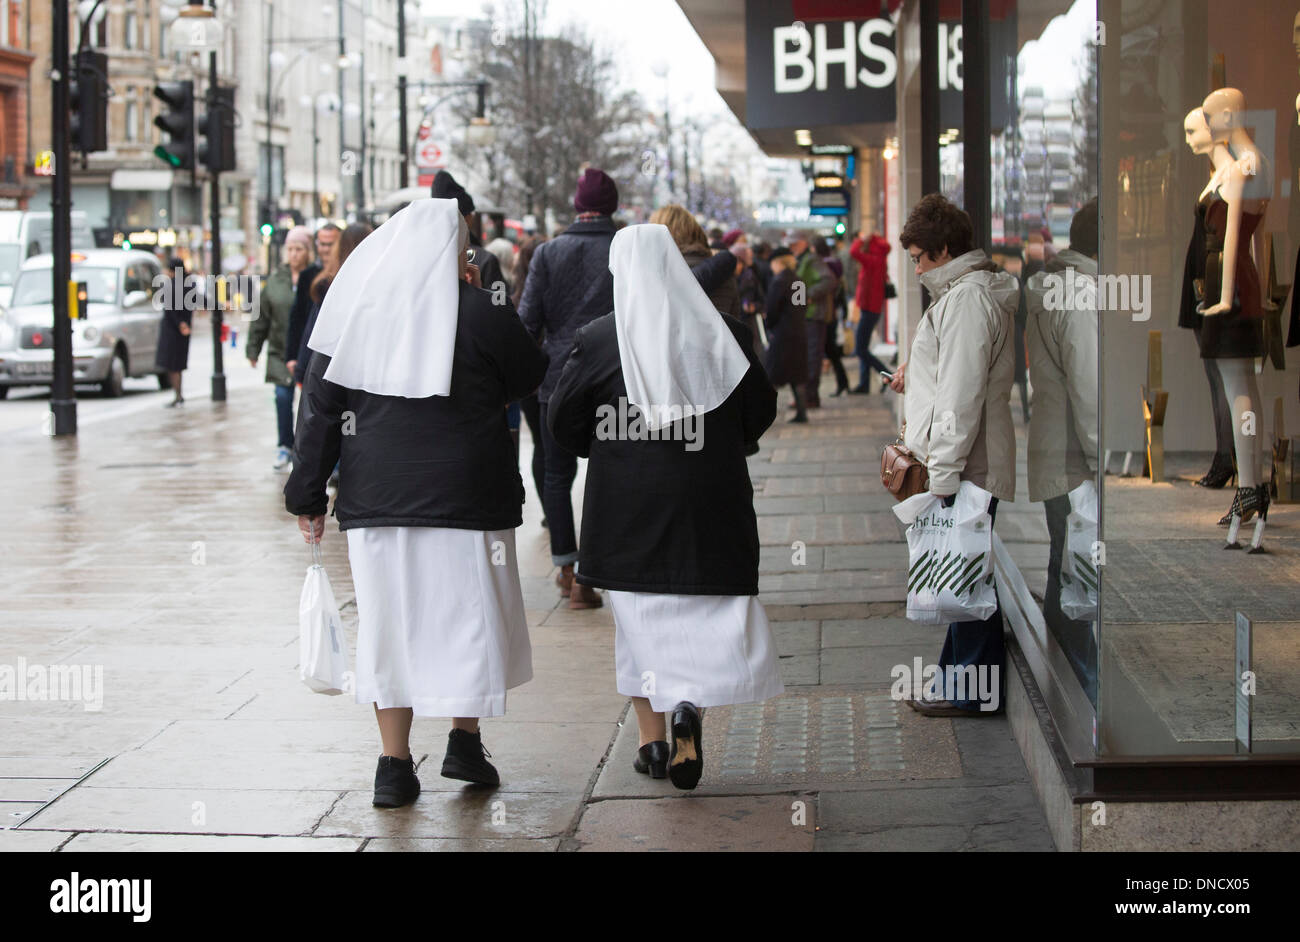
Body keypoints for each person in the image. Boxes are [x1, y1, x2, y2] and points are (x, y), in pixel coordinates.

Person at [284, 198, 549, 805]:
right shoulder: (482, 312)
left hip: (379, 503)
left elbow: (319, 409)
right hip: (469, 497)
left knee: (390, 626)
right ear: (457, 256)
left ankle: (394, 765)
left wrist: (306, 492)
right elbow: (529, 371)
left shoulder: (356, 311)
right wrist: (478, 295)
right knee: (468, 620)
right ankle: (463, 741)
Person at [547, 223, 782, 790]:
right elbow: (761, 409)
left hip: (627, 508)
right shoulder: (724, 330)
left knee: (640, 624)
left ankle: (653, 744)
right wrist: (725, 439)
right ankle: (687, 711)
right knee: (701, 616)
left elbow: (562, 421)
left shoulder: (600, 339)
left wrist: (604, 446)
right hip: (711, 502)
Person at [890, 194, 1018, 718]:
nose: (916, 268)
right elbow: (951, 380)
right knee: (961, 570)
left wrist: (941, 476)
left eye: (920, 257)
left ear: (944, 251)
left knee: (967, 574)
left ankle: (971, 692)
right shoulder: (964, 295)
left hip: (968, 462)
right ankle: (957, 682)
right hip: (967, 458)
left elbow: (961, 396)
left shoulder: (967, 300)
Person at [517, 167, 621, 609]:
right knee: (613, 474)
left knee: (557, 476)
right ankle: (604, 570)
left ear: (578, 206)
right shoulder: (624, 248)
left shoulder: (547, 253)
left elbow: (526, 324)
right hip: (618, 383)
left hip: (558, 381)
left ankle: (568, 568)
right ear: (612, 205)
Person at [1025, 199, 1100, 705]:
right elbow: (1089, 382)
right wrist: (1104, 458)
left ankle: (1068, 683)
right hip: (1075, 455)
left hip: (1057, 448)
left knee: (1064, 563)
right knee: (1070, 568)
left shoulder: (1058, 285)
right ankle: (1081, 688)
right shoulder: (1079, 293)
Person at [248, 226, 311, 470]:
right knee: (282, 397)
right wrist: (253, 349)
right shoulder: (275, 280)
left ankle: (305, 449)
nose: (294, 254)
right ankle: (285, 445)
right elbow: (261, 317)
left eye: (299, 249)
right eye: (290, 249)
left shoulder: (314, 277)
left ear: (308, 251)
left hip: (306, 352)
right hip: (280, 351)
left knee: (309, 404)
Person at [293, 224, 372, 388]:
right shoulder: (376, 283)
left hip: (330, 367)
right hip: (365, 369)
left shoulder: (329, 282)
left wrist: (302, 369)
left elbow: (314, 329)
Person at [512, 235, 548, 516]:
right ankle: (553, 506)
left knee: (540, 444)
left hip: (528, 386)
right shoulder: (555, 294)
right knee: (554, 448)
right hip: (551, 380)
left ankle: (550, 509)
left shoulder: (513, 300)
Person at [431, 170, 504, 295]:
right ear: (466, 218)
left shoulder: (425, 257)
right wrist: (479, 293)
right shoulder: (486, 260)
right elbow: (501, 305)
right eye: (471, 214)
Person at [787, 229, 834, 408]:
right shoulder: (802, 260)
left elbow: (828, 280)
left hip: (814, 315)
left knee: (812, 356)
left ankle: (810, 396)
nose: (792, 248)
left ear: (802, 243)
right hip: (806, 314)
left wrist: (809, 295)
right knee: (807, 356)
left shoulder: (811, 260)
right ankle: (807, 395)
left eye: (794, 244)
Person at [763, 247, 809, 422]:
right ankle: (802, 412)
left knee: (772, 375)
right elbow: (803, 306)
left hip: (782, 334)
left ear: (778, 262)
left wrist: (769, 324)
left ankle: (763, 415)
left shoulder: (779, 281)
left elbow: (772, 309)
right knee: (797, 375)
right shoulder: (799, 281)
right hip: (799, 331)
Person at [848, 224, 894, 393]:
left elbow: (853, 252)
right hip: (872, 306)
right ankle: (864, 384)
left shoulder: (872, 259)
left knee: (860, 349)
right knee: (863, 348)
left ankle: (887, 375)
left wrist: (861, 239)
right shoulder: (878, 257)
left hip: (870, 307)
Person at [154, 257, 193, 407]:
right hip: (183, 330)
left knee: (172, 365)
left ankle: (178, 395)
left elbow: (169, 309)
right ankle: (178, 395)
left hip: (172, 330)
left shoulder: (171, 285)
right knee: (177, 365)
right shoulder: (189, 283)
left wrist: (180, 324)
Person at [816, 236, 850, 397]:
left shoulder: (821, 266)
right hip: (833, 312)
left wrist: (803, 299)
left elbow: (800, 288)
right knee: (831, 350)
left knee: (826, 350)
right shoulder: (836, 265)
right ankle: (843, 383)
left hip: (823, 313)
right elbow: (840, 290)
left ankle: (812, 393)